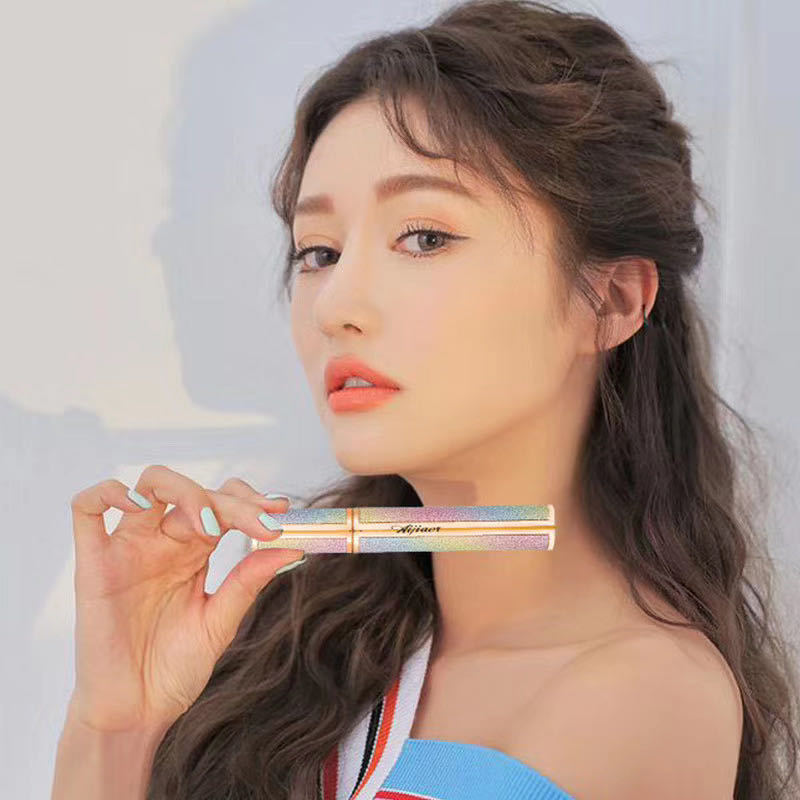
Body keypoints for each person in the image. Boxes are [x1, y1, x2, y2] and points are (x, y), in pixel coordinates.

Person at [52, 1, 800, 799]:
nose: (338, 305)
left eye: (425, 237)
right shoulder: (286, 659)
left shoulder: (644, 697)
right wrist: (120, 721)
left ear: (610, 301)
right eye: (318, 252)